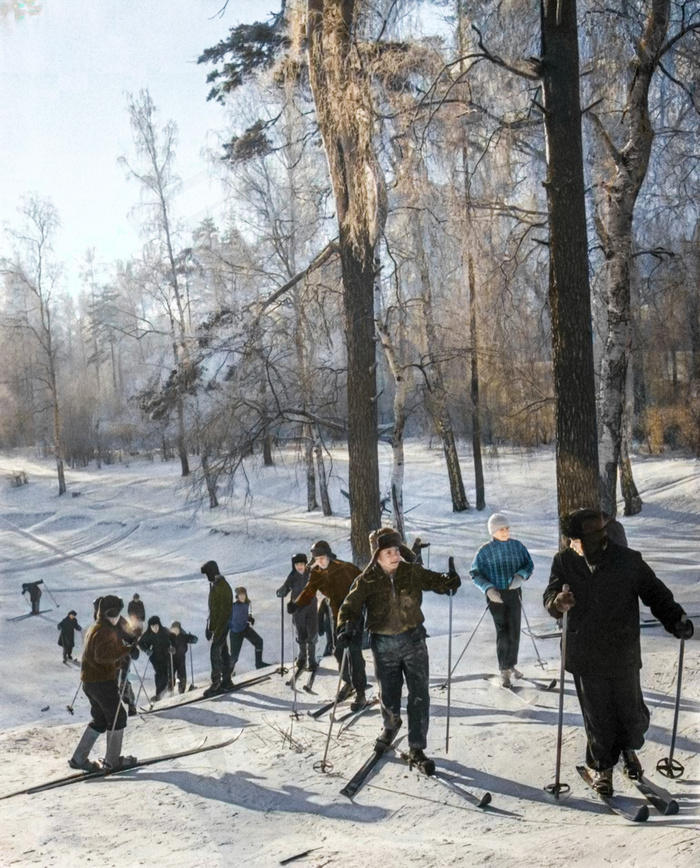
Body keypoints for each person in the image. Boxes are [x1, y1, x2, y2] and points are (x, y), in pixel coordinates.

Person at [544, 507, 693, 796]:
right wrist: (557, 603)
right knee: (598, 717)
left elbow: (655, 593)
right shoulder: (564, 561)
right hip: (585, 652)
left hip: (622, 649)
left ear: (594, 537)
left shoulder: (628, 561)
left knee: (631, 714)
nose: (572, 545)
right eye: (571, 540)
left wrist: (676, 620)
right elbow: (550, 595)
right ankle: (601, 766)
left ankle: (627, 751)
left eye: (577, 539)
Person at [337, 527, 461, 771]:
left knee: (418, 695)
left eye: (396, 550)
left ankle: (417, 746)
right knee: (389, 695)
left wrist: (448, 582)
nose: (395, 556)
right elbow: (350, 606)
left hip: (414, 641)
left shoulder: (411, 571)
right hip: (383, 645)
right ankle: (391, 725)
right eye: (388, 552)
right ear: (377, 556)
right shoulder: (367, 579)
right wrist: (346, 626)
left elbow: (434, 581)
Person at [288, 540, 368, 710]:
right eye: (317, 559)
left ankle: (361, 693)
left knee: (353, 652)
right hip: (337, 616)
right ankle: (348, 683)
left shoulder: (344, 568)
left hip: (354, 615)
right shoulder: (317, 572)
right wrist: (297, 604)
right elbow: (310, 590)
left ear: (329, 555)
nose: (320, 562)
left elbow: (364, 583)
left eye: (323, 557)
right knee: (339, 652)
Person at [69, 595, 137, 772]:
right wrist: (124, 649)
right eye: (112, 614)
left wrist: (125, 643)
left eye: (117, 613)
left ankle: (79, 758)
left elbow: (105, 653)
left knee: (100, 719)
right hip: (101, 682)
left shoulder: (98, 626)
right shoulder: (103, 631)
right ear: (104, 613)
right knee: (117, 717)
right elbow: (102, 656)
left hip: (90, 682)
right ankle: (112, 761)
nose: (116, 617)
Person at [470, 512, 534, 687]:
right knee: (503, 630)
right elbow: (475, 573)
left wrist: (521, 576)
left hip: (514, 592)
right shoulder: (484, 551)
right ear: (492, 531)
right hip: (496, 595)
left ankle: (511, 664)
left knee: (514, 629)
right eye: (501, 529)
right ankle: (503, 670)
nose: (505, 531)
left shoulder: (517, 546)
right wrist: (488, 589)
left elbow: (528, 564)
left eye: (507, 528)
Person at [277, 553, 318, 672]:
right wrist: (281, 592)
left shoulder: (311, 574)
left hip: (311, 607)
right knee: (301, 633)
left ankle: (312, 659)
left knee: (312, 632)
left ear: (305, 564)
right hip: (297, 609)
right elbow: (285, 587)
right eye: (297, 564)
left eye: (301, 564)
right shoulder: (292, 576)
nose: (299, 567)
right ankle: (302, 658)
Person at [201, 560, 234, 697]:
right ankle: (226, 680)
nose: (206, 577)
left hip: (224, 625)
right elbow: (213, 609)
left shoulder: (223, 587)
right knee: (224, 651)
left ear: (212, 573)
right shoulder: (215, 585)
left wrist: (218, 631)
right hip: (218, 626)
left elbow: (224, 613)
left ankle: (216, 684)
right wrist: (210, 627)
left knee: (215, 652)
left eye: (207, 574)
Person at [229, 587, 270, 673]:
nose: (242, 597)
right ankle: (228, 674)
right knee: (234, 657)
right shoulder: (233, 606)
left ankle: (259, 664)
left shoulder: (247, 603)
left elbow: (243, 615)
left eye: (243, 594)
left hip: (245, 628)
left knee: (259, 641)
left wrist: (249, 618)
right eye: (240, 595)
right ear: (237, 596)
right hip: (235, 632)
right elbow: (230, 618)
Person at [139, 615, 173, 702]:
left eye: (156, 626)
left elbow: (173, 638)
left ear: (159, 625)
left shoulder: (165, 631)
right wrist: (146, 650)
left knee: (165, 673)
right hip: (155, 657)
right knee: (159, 673)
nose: (155, 628)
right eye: (153, 626)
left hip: (165, 656)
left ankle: (163, 692)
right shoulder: (148, 634)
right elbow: (140, 643)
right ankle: (159, 693)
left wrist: (172, 647)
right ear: (150, 627)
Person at [169, 621, 198, 693]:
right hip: (171, 659)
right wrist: (169, 649)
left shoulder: (183, 636)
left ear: (179, 629)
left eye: (176, 629)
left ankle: (181, 689)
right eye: (173, 629)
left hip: (181, 658)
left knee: (182, 674)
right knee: (170, 674)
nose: (175, 631)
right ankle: (170, 689)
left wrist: (192, 638)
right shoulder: (169, 637)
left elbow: (194, 639)